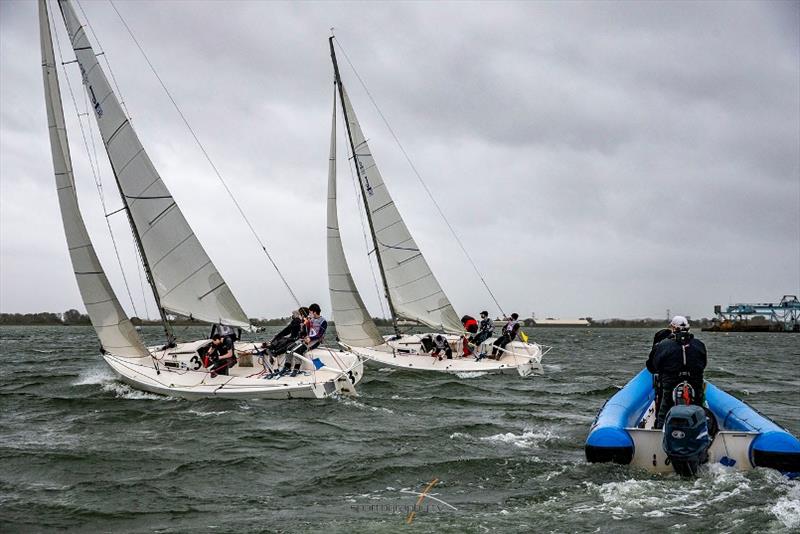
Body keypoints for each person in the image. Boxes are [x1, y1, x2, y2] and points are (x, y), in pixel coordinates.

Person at [647, 316, 707, 429]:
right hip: (694, 380)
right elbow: (703, 364)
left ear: (673, 328)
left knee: (665, 404)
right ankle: (701, 427)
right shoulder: (699, 345)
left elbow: (654, 366)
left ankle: (660, 427)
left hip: (671, 381)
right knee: (698, 403)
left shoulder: (664, 345)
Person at [282, 303, 328, 378]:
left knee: (298, 350)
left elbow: (319, 335)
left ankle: (296, 369)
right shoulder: (310, 320)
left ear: (314, 312)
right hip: (307, 339)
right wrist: (304, 326)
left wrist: (310, 338)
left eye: (310, 312)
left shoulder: (323, 322)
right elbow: (308, 332)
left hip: (315, 341)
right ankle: (287, 367)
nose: (309, 314)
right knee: (289, 348)